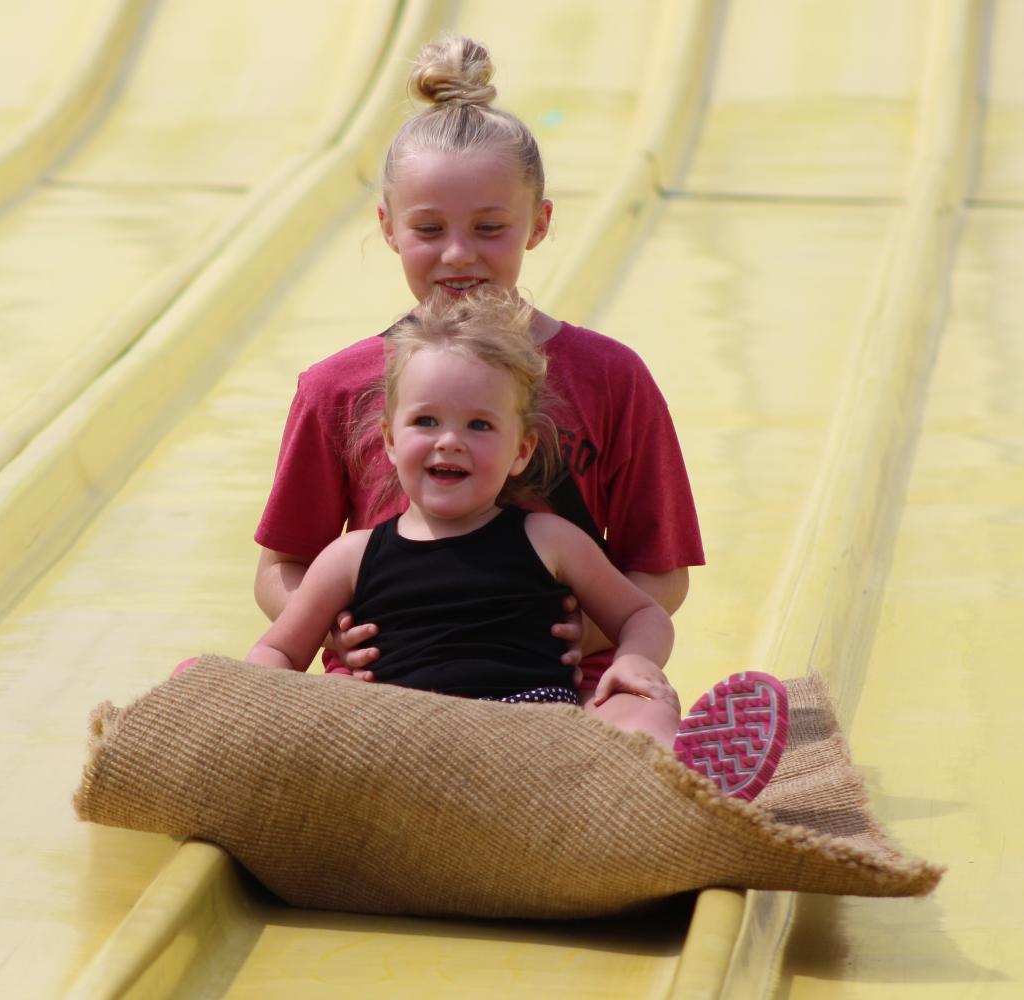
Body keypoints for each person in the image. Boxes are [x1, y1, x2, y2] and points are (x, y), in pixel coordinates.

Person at [254, 35, 703, 735]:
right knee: (258, 708)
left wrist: (586, 632)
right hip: (385, 696)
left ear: (539, 224)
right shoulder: (337, 387)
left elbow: (660, 572)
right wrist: (328, 627)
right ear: (389, 229)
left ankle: (687, 785)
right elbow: (282, 566)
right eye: (429, 228)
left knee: (640, 716)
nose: (459, 254)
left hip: (564, 696)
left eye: (490, 228)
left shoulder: (613, 378)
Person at [245, 290, 785, 800]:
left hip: (538, 737)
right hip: (398, 736)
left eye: (480, 425)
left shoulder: (549, 539)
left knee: (638, 709)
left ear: (521, 450)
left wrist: (636, 663)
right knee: (250, 692)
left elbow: (643, 612)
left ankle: (683, 786)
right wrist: (253, 696)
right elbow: (279, 648)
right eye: (425, 421)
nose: (450, 439)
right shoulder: (351, 557)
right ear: (388, 439)